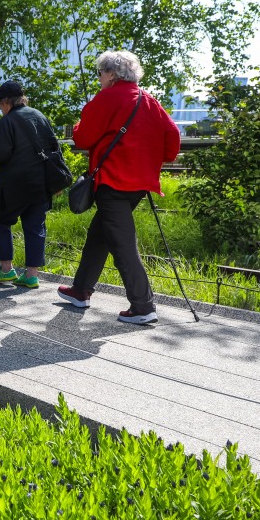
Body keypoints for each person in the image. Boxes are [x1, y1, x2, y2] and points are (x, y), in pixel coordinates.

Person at [60, 50, 181, 324]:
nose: (99, 78)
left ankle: (143, 306)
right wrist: (150, 159)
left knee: (122, 243)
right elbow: (172, 139)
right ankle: (81, 290)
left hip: (113, 181)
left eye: (100, 73)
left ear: (112, 74)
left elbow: (82, 137)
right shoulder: (149, 100)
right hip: (140, 184)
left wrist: (80, 124)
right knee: (100, 232)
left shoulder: (108, 98)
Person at [0, 80, 58, 290]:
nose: (0, 108)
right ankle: (32, 275)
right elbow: (54, 148)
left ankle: (6, 269)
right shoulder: (39, 116)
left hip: (14, 184)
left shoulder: (7, 122)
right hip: (40, 184)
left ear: (6, 101)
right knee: (35, 226)